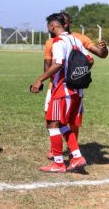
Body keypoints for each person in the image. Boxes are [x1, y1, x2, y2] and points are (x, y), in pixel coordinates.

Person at [31, 13, 93, 173]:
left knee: (52, 122)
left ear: (52, 26)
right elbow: (89, 60)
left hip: (62, 90)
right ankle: (77, 156)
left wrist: (39, 80)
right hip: (76, 90)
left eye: (48, 28)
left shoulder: (58, 42)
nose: (49, 30)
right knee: (63, 124)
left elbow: (58, 64)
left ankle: (58, 162)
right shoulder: (76, 40)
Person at [43, 12, 108, 159]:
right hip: (55, 87)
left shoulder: (79, 39)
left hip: (69, 87)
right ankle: (56, 149)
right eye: (62, 22)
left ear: (67, 23)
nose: (64, 24)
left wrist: (75, 75)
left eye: (66, 22)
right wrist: (48, 80)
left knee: (71, 121)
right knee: (51, 120)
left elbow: (99, 55)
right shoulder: (50, 42)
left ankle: (71, 152)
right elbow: (47, 66)